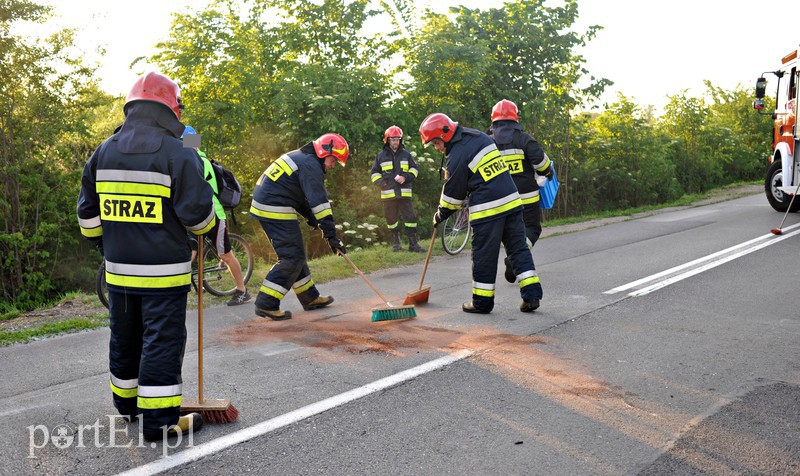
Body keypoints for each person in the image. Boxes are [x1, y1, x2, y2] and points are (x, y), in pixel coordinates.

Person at [77, 72, 215, 441]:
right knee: (161, 341)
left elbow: (88, 219)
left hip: (119, 275)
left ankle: (128, 408)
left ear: (131, 106)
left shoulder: (103, 150)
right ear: (171, 108)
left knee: (124, 338)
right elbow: (199, 215)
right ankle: (159, 422)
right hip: (164, 275)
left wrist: (108, 248)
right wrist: (207, 229)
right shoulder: (178, 149)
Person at [420, 112, 543, 314]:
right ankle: (532, 295)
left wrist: (440, 214)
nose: (436, 148)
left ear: (443, 136)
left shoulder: (457, 154)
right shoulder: (478, 137)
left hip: (488, 210)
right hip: (512, 203)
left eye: (435, 143)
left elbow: (454, 192)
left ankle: (482, 303)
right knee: (518, 249)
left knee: (484, 255)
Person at [249, 133, 349, 320]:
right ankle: (266, 303)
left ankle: (309, 297)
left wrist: (312, 218)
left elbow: (297, 195)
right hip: (274, 206)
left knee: (296, 253)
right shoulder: (311, 165)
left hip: (271, 203)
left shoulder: (303, 158)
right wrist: (332, 237)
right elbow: (320, 203)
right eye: (334, 160)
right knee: (292, 256)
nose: (333, 165)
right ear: (324, 152)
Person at [182, 126, 251, 306]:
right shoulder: (191, 159)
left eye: (185, 142)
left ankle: (242, 290)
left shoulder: (200, 162)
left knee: (225, 254)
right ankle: (180, 286)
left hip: (214, 215)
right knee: (190, 250)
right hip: (197, 215)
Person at [488, 99, 554, 283]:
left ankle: (514, 257)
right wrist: (548, 172)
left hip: (500, 199)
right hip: (527, 197)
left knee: (508, 232)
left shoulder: (488, 143)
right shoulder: (525, 139)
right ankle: (515, 258)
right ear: (515, 118)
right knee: (532, 228)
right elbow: (542, 165)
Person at [369, 125, 425, 252]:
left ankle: (413, 244)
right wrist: (381, 182)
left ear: (401, 140)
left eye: (398, 139)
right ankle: (396, 244)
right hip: (388, 196)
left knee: (410, 219)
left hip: (404, 194)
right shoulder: (380, 156)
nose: (395, 142)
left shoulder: (407, 155)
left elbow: (415, 169)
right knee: (391, 220)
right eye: (393, 139)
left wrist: (405, 177)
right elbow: (374, 173)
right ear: (387, 140)